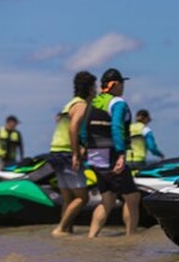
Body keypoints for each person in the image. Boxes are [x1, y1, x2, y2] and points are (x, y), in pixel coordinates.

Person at [82, 68, 140, 237]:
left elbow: (83, 130)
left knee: (107, 198)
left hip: (94, 156)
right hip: (112, 156)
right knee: (132, 197)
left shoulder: (92, 102)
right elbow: (117, 127)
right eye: (121, 84)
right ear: (115, 84)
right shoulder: (117, 103)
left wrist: (86, 148)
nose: (123, 87)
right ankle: (131, 239)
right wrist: (121, 154)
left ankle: (91, 237)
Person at [49, 71, 97, 237]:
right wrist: (76, 153)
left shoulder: (70, 103)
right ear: (90, 88)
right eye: (95, 86)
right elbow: (73, 127)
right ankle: (61, 228)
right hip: (67, 153)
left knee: (69, 197)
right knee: (82, 197)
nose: (96, 90)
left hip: (55, 151)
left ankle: (67, 230)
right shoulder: (81, 105)